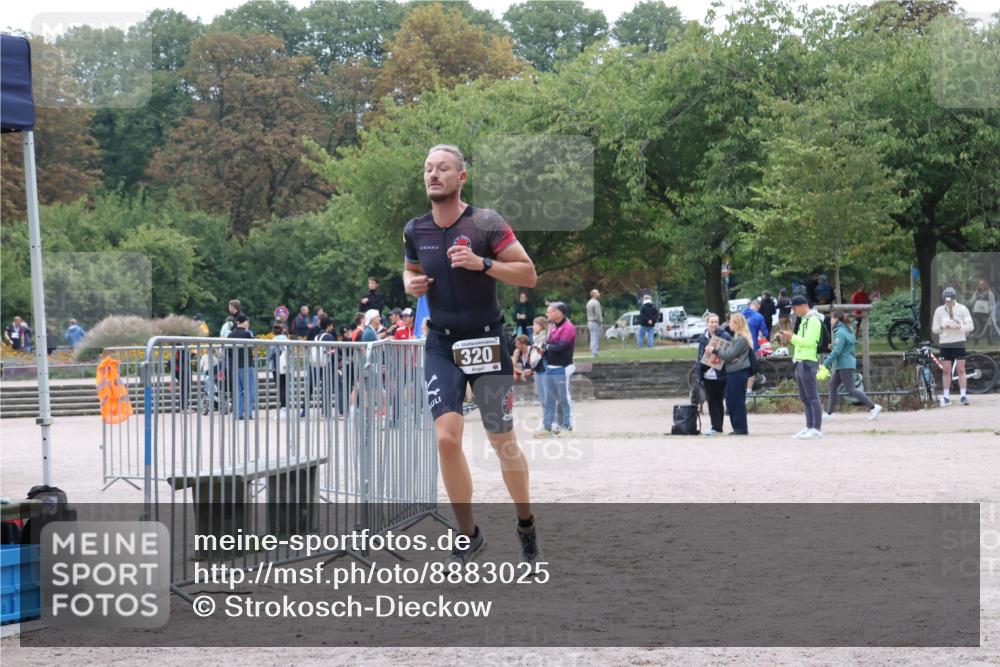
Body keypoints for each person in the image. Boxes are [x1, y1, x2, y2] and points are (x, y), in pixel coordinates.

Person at [403, 143, 539, 565]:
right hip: (441, 343)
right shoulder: (415, 229)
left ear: (462, 177)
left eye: (442, 168)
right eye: (428, 169)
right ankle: (469, 534)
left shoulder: (486, 223)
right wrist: (410, 284)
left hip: (487, 341)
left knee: (502, 441)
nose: (433, 174)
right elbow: (410, 271)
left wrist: (483, 263)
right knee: (446, 438)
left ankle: (525, 524)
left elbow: (528, 273)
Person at [823, 310, 881, 420]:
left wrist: (826, 363)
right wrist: (834, 348)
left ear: (836, 319)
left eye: (831, 318)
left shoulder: (840, 332)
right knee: (833, 386)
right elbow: (845, 347)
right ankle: (829, 414)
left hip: (844, 364)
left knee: (851, 389)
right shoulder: (847, 330)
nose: (830, 320)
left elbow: (837, 352)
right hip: (844, 364)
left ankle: (873, 407)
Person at [780, 296, 824, 439]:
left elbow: (810, 343)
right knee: (805, 397)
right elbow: (800, 342)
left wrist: (793, 337)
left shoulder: (813, 320)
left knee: (812, 396)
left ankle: (816, 428)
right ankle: (809, 426)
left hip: (809, 361)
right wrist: (789, 338)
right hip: (800, 361)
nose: (793, 311)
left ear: (804, 305)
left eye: (794, 307)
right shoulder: (804, 320)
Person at [707, 312, 751, 436]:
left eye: (731, 321)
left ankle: (741, 428)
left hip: (738, 372)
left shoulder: (741, 338)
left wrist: (714, 350)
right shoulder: (735, 338)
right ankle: (737, 427)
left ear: (737, 324)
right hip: (733, 372)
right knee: (731, 401)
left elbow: (728, 354)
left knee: (737, 401)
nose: (729, 324)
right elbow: (729, 355)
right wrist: (728, 357)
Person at [537, 302, 575, 438]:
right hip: (550, 366)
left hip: (562, 367)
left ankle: (567, 426)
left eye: (550, 311)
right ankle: (547, 427)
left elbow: (561, 346)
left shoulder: (568, 327)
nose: (547, 314)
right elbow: (548, 343)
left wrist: (546, 348)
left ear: (559, 312)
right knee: (549, 399)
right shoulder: (552, 326)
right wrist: (544, 347)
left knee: (564, 399)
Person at [932, 287, 975, 406]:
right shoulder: (939, 311)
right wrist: (942, 327)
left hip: (959, 342)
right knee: (946, 370)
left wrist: (959, 327)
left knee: (961, 369)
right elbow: (934, 329)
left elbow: (971, 326)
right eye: (946, 301)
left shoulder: (962, 309)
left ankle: (963, 396)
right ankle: (946, 397)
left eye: (950, 300)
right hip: (945, 344)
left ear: (954, 299)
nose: (948, 303)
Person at [694, 313, 732, 436]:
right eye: (712, 322)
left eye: (716, 322)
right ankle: (716, 426)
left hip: (720, 374)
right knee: (711, 401)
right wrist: (699, 372)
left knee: (718, 401)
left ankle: (717, 427)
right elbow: (699, 356)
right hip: (707, 374)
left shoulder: (725, 335)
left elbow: (729, 353)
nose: (714, 324)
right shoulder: (702, 337)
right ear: (707, 323)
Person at [227, 314, 256, 419]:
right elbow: (254, 345)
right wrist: (248, 330)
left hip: (234, 366)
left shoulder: (230, 335)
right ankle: (248, 413)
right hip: (246, 365)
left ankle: (238, 413)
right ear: (243, 322)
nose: (248, 323)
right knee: (249, 390)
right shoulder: (247, 334)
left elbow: (228, 352)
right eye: (247, 321)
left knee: (237, 391)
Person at [269, 322, 290, 417]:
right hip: (286, 366)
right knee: (285, 387)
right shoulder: (287, 339)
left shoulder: (272, 341)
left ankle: (283, 408)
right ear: (282, 330)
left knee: (280, 387)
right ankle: (287, 408)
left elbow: (269, 355)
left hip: (276, 366)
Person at [971, 279, 996, 346]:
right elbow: (972, 301)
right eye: (980, 284)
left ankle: (989, 341)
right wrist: (975, 295)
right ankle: (976, 341)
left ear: (985, 285)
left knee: (987, 327)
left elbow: (992, 303)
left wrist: (991, 311)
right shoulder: (976, 292)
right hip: (977, 312)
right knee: (977, 327)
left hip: (985, 312)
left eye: (983, 284)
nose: (982, 286)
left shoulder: (989, 293)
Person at [586, 289, 603, 357]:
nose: (599, 294)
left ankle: (593, 351)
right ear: (594, 294)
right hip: (595, 322)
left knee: (592, 337)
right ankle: (594, 352)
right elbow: (598, 314)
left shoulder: (589, 302)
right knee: (595, 337)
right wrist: (600, 322)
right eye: (597, 293)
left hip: (590, 321)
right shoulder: (596, 303)